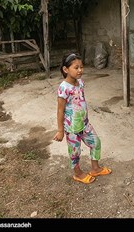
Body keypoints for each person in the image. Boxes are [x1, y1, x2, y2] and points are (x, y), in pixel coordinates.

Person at [53, 53, 112, 184]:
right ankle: (78, 173)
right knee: (75, 152)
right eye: (76, 67)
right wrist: (60, 130)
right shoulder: (63, 88)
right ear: (65, 69)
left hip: (85, 124)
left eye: (81, 67)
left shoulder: (80, 83)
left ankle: (95, 168)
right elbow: (60, 110)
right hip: (72, 128)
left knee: (96, 143)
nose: (80, 70)